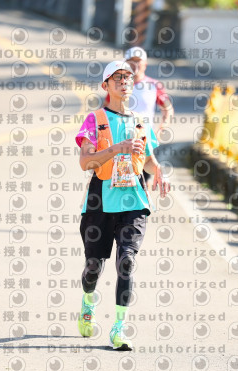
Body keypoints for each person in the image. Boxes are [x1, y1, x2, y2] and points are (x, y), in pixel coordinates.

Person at [75, 60, 170, 350]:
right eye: (117, 77)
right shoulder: (95, 119)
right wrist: (118, 148)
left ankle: (119, 328)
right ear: (106, 85)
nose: (124, 81)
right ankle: (88, 301)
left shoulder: (141, 121)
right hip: (100, 203)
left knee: (127, 261)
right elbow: (85, 162)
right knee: (93, 267)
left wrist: (160, 172)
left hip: (134, 202)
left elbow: (149, 160)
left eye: (128, 77)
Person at [105, 47, 174, 182]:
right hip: (119, 139)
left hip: (144, 140)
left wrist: (161, 129)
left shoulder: (154, 85)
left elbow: (168, 109)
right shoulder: (118, 85)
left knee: (143, 179)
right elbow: (106, 108)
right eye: (131, 61)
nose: (134, 64)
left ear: (145, 64)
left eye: (138, 61)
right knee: (118, 179)